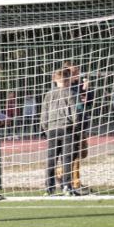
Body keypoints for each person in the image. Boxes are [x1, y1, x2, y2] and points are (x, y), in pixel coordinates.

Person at [40, 68, 77, 196]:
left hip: (52, 129)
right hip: (67, 129)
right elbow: (75, 113)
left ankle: (49, 188)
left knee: (51, 159)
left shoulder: (49, 94)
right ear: (69, 79)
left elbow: (43, 115)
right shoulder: (71, 93)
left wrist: (45, 128)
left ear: (54, 80)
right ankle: (67, 186)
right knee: (67, 159)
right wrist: (76, 128)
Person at [65, 61, 92, 194]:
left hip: (82, 123)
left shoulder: (79, 85)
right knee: (73, 153)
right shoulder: (65, 88)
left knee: (82, 153)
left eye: (77, 72)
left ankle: (61, 174)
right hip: (69, 125)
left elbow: (88, 103)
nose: (77, 75)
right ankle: (74, 182)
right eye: (74, 72)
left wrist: (87, 89)